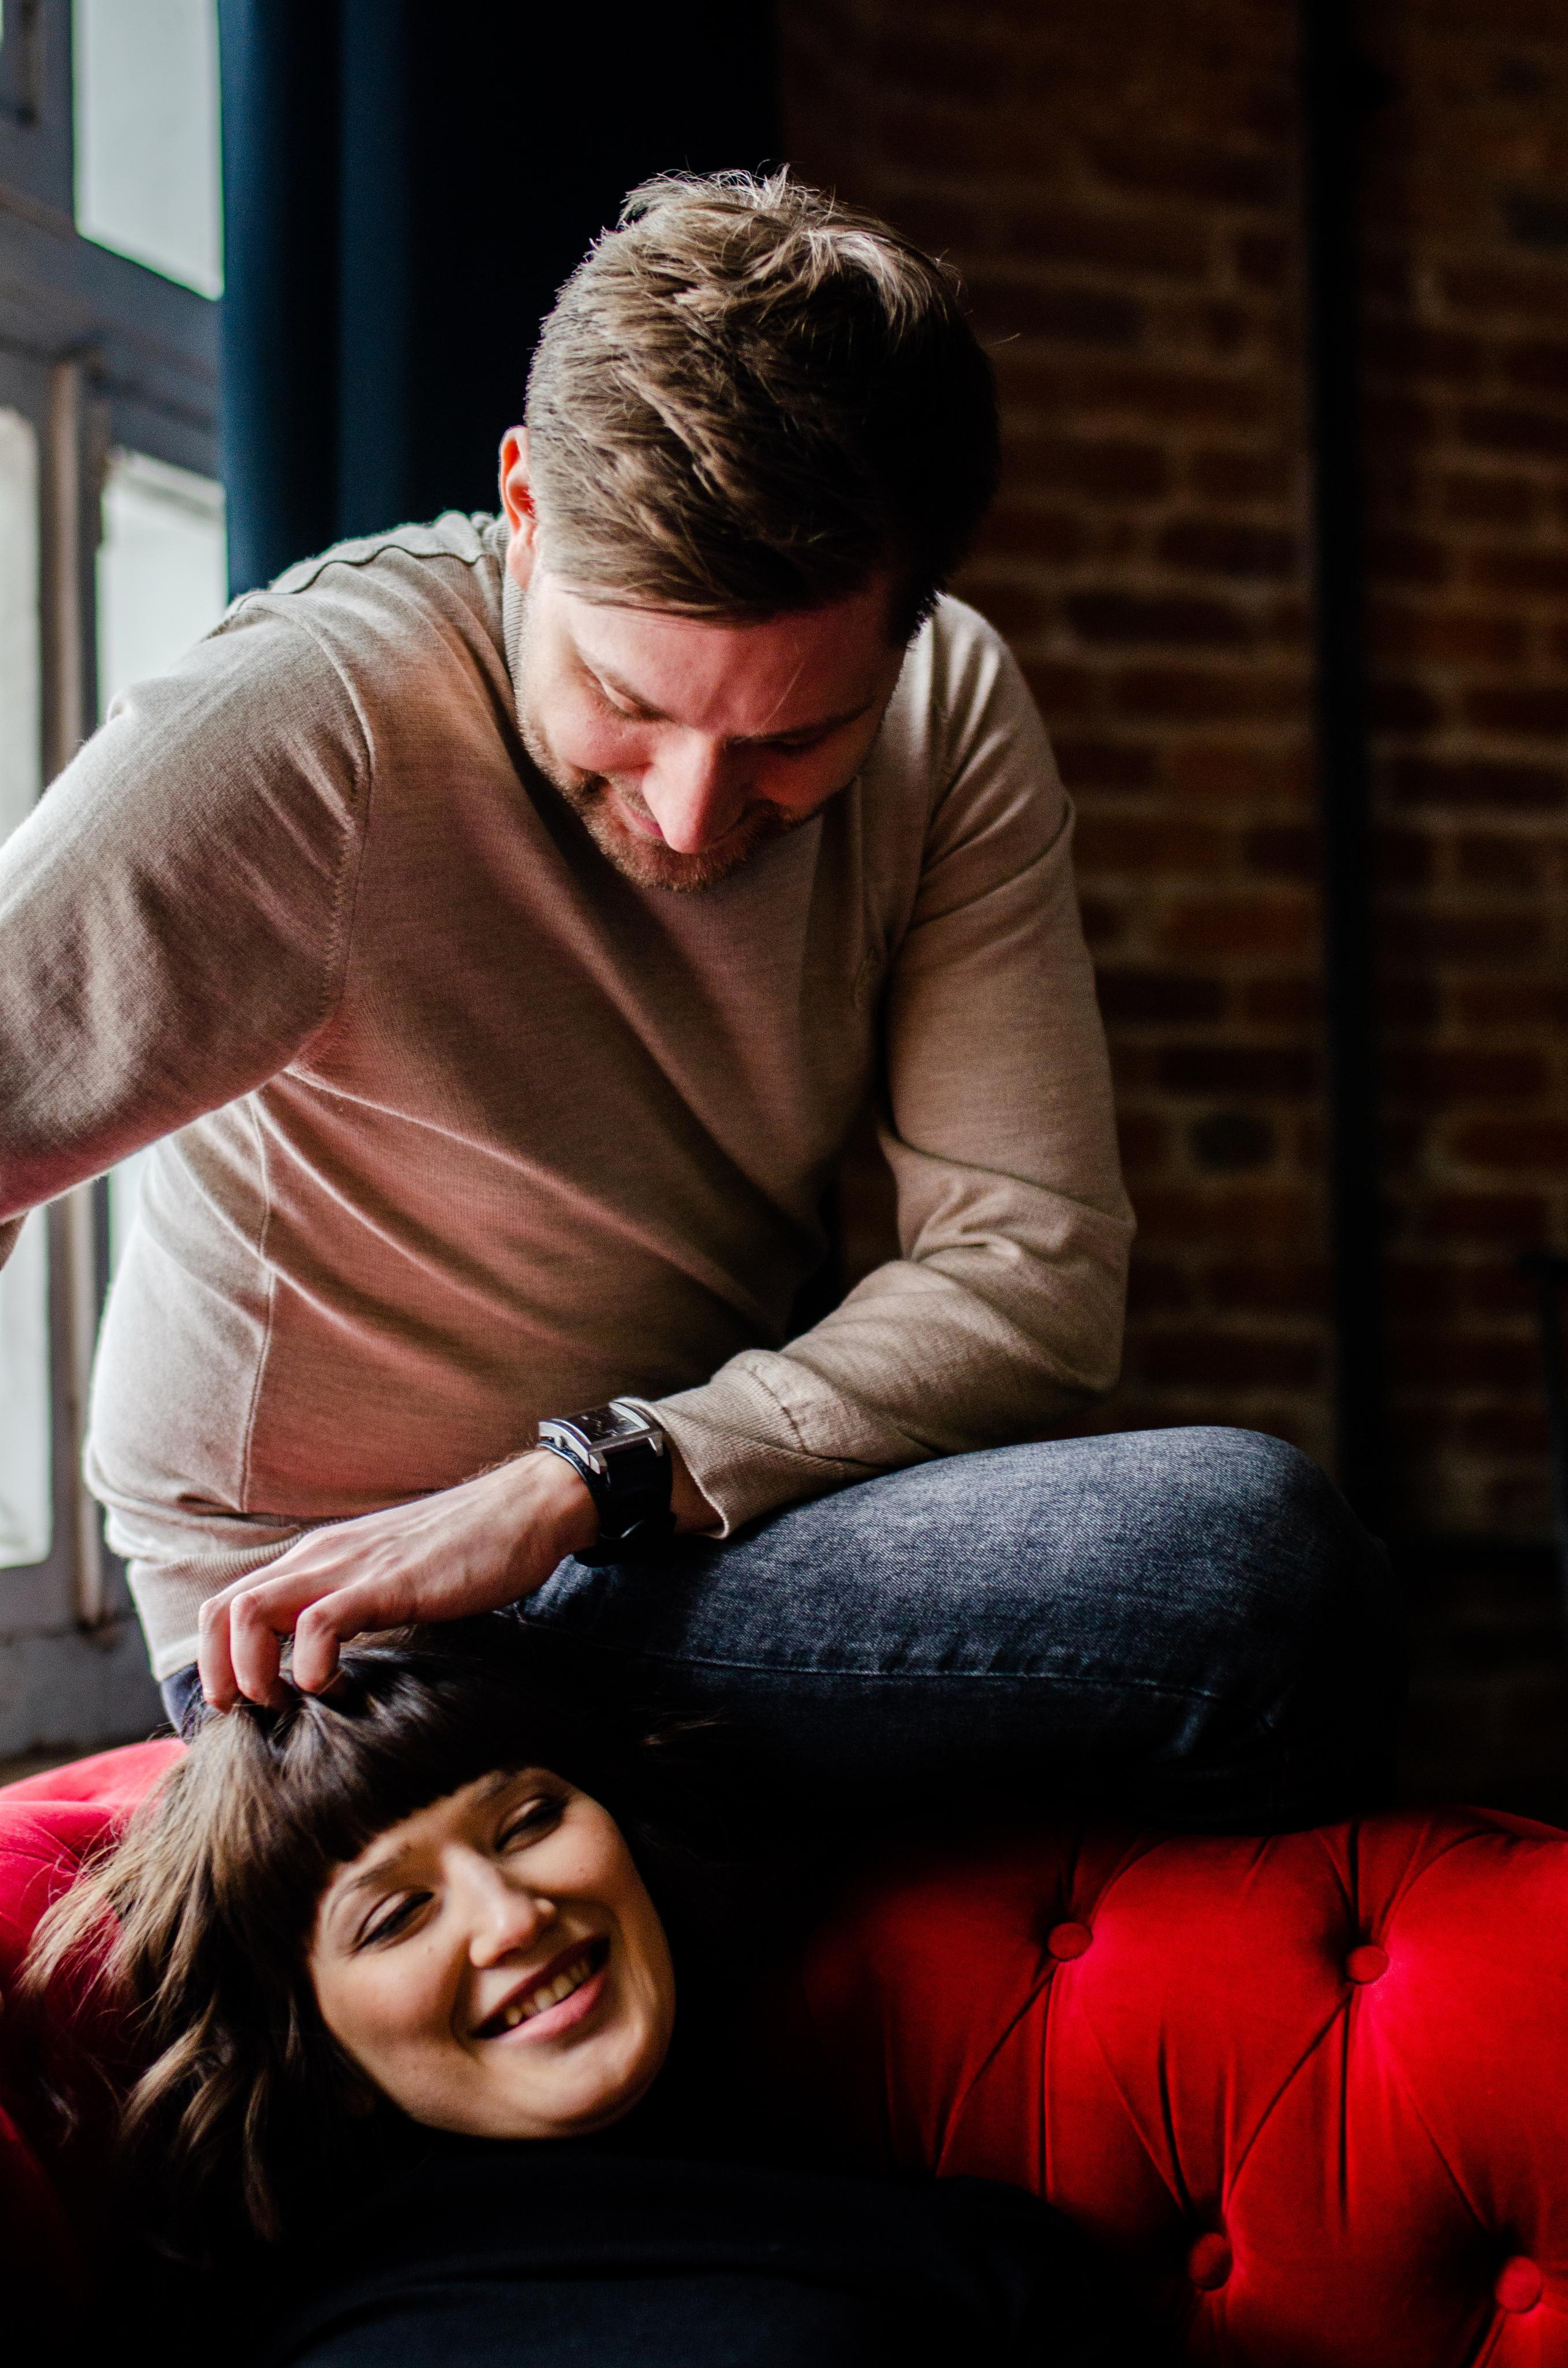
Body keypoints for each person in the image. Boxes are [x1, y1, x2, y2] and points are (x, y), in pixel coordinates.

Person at [0, 170, 1400, 1829]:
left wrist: (582, 1481)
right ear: (523, 514)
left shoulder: (950, 714)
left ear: (907, 627)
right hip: (316, 1627)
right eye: (623, 696)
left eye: (793, 740)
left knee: (1252, 1553)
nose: (686, 812)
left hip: (664, 1524)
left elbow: (1033, 1273)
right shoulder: (312, 720)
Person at [25, 1625, 1169, 2365]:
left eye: (528, 1823)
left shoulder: (989, 2267)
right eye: (397, 1913)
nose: (513, 1915)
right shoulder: (228, 2334)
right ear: (322, 2055)